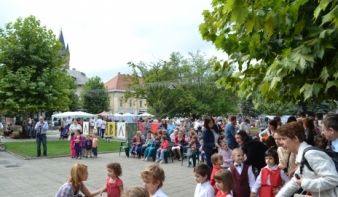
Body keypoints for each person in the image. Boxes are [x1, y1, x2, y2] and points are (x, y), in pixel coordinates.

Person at [276, 122, 338, 197]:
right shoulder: (303, 155)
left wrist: (305, 183)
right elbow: (295, 182)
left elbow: (333, 179)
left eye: (283, 139)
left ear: (295, 138)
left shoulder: (310, 154)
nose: (281, 143)